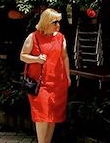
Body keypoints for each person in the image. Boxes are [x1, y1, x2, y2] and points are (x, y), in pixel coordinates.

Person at [19, 8, 71, 143]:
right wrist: (36, 59)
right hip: (39, 83)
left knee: (53, 116)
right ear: (47, 22)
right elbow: (22, 56)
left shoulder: (61, 38)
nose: (58, 25)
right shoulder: (33, 37)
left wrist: (68, 76)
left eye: (59, 22)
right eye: (55, 22)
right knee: (42, 116)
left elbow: (64, 57)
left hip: (57, 82)